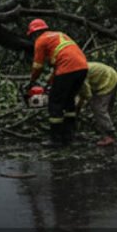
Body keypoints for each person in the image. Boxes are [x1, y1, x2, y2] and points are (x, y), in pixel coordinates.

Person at [27, 19, 88, 147]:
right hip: (82, 67)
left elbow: (38, 66)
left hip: (67, 68)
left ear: (34, 34)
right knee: (69, 101)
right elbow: (59, 66)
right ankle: (69, 136)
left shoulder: (40, 41)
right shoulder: (59, 35)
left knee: (55, 103)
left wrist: (31, 81)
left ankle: (55, 139)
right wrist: (49, 83)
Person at [77, 60, 117, 147]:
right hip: (110, 74)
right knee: (106, 109)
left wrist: (80, 108)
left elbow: (87, 94)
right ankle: (107, 127)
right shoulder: (77, 70)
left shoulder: (78, 75)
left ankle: (109, 135)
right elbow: (82, 94)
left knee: (98, 108)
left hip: (107, 79)